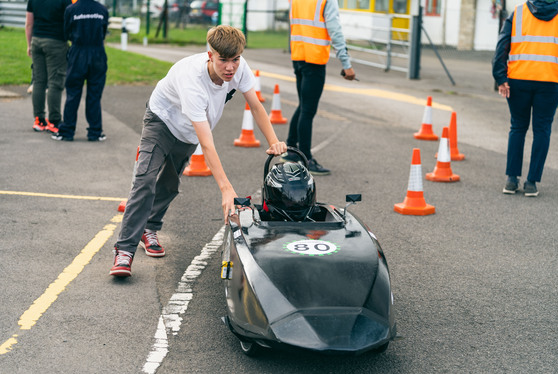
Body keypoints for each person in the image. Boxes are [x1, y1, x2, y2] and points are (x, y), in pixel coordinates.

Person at [110, 25, 287, 277]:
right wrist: (226, 189)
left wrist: (274, 141)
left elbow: (256, 106)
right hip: (162, 120)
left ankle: (149, 228)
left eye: (235, 60)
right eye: (223, 60)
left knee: (169, 185)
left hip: (188, 131)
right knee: (145, 179)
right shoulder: (192, 80)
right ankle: (124, 250)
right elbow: (207, 144)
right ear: (210, 55)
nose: (230, 67)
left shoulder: (239, 68)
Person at [492, 0, 558, 197]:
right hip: (550, 80)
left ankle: (512, 180)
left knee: (518, 127)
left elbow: (502, 45)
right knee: (542, 130)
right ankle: (531, 183)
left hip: (518, 80)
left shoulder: (518, 13)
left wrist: (500, 77)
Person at [285, 0, 356, 176]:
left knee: (303, 106)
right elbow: (335, 31)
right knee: (307, 110)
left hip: (298, 56)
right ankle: (305, 158)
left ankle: (292, 151)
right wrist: (346, 64)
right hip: (314, 60)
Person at [52, 0, 109, 142]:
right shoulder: (102, 10)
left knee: (73, 93)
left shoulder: (71, 9)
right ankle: (95, 132)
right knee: (94, 94)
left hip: (78, 53)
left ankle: (67, 131)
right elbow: (103, 32)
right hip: (97, 54)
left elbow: (67, 33)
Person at [25, 0, 71, 133]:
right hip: (56, 42)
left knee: (39, 81)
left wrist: (29, 45)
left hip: (37, 41)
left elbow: (29, 23)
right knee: (55, 82)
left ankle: (39, 120)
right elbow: (69, 21)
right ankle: (54, 120)